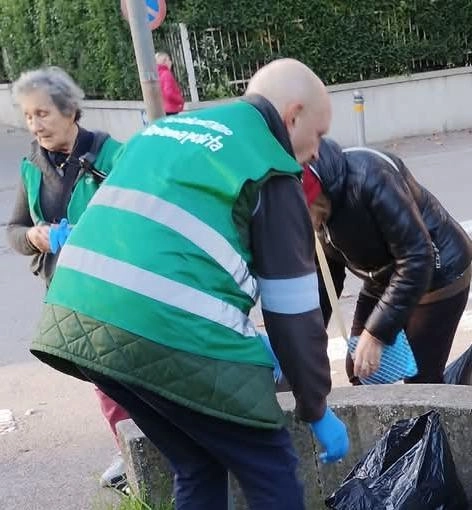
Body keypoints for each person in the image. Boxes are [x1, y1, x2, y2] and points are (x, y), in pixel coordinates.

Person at [28, 59, 348, 510]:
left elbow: (163, 247)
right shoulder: (270, 167)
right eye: (318, 135)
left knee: (197, 464)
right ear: (292, 116)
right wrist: (316, 406)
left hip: (75, 312)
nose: (317, 152)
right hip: (161, 327)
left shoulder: (169, 131)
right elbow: (293, 311)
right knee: (270, 462)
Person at [4, 66, 132, 492]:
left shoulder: (112, 156)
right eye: (28, 115)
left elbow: (142, 219)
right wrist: (33, 236)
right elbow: (14, 231)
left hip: (120, 289)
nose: (34, 124)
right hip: (68, 292)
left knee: (138, 371)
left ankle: (161, 446)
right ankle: (130, 450)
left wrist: (92, 236)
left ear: (70, 110)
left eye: (42, 113)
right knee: (102, 378)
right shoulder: (32, 166)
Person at [304, 138, 472, 384]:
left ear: (314, 196)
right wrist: (306, 342)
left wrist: (376, 334)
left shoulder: (369, 178)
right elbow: (325, 279)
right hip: (385, 276)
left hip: (437, 274)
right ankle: (462, 382)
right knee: (361, 372)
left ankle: (470, 381)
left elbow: (417, 257)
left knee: (421, 384)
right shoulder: (318, 214)